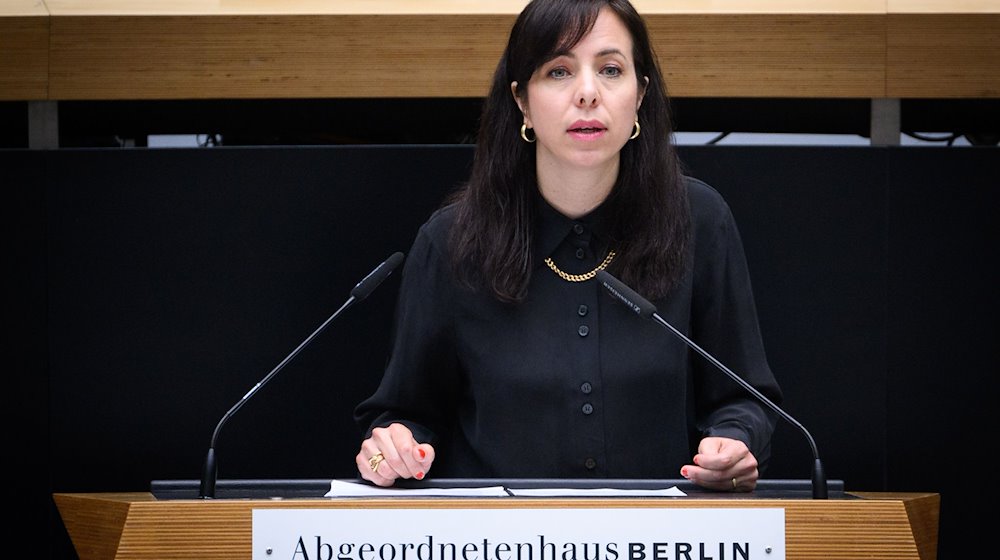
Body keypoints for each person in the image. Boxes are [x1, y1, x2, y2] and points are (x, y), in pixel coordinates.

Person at [353, 0, 782, 493]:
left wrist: (734, 441)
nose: (586, 93)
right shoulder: (452, 241)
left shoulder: (699, 222)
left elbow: (744, 399)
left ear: (640, 93)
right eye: (558, 71)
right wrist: (393, 445)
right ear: (521, 100)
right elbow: (405, 414)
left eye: (611, 70)